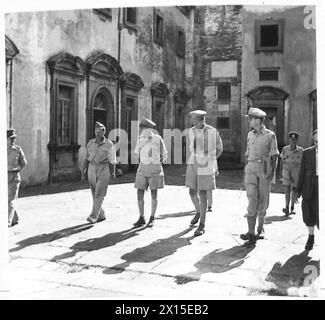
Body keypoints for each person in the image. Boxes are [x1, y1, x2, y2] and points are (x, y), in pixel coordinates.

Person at [240, 107, 279, 245]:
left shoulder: (270, 135)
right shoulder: (249, 134)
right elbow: (246, 153)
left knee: (263, 201)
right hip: (251, 167)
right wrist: (245, 169)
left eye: (250, 118)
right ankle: (250, 232)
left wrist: (272, 172)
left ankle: (260, 229)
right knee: (252, 198)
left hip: (264, 168)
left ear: (257, 120)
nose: (248, 121)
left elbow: (275, 155)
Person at [185, 110, 223, 236]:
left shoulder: (212, 131)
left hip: (206, 163)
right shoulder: (191, 131)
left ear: (201, 120)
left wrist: (211, 160)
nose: (193, 122)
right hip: (193, 161)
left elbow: (219, 148)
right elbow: (190, 147)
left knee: (202, 192)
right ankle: (198, 211)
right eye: (192, 120)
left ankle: (202, 224)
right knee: (191, 191)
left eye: (194, 120)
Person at [133, 118, 168, 228]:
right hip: (142, 169)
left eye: (142, 127)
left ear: (148, 128)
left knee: (154, 194)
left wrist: (157, 162)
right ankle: (141, 217)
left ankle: (152, 217)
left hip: (154, 170)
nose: (140, 129)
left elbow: (165, 154)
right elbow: (136, 153)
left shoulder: (158, 139)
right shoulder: (140, 139)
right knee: (139, 194)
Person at [82, 122, 117, 224]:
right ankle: (101, 214)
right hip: (91, 168)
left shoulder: (109, 144)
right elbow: (86, 158)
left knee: (99, 194)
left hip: (104, 168)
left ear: (103, 132)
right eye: (96, 131)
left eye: (99, 131)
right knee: (94, 193)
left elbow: (112, 160)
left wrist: (113, 172)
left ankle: (93, 216)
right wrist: (83, 171)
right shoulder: (90, 143)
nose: (97, 134)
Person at [293, 129, 319, 251]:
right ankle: (311, 236)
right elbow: (302, 172)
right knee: (308, 214)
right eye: (316, 141)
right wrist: (297, 191)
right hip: (309, 187)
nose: (318, 144)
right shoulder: (307, 152)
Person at [279, 131, 303, 216]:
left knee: (294, 190)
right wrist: (280, 174)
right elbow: (281, 161)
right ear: (289, 140)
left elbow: (303, 163)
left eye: (295, 139)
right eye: (291, 139)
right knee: (287, 190)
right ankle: (286, 207)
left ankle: (292, 206)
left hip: (296, 172)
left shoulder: (301, 151)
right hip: (286, 171)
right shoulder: (285, 149)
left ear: (297, 140)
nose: (293, 141)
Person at [7, 128, 27, 227]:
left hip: (14, 177)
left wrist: (17, 169)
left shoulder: (17, 150)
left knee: (10, 200)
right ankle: (15, 218)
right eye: (11, 138)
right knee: (8, 199)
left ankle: (7, 221)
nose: (13, 140)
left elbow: (24, 163)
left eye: (14, 138)